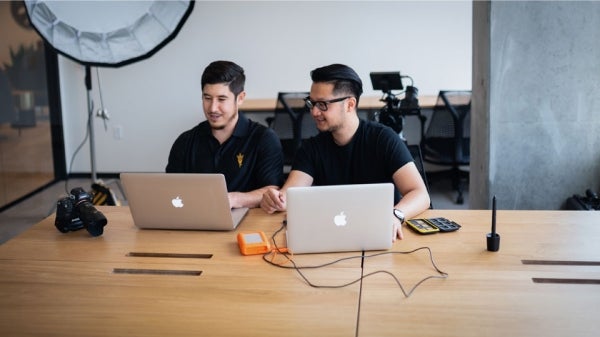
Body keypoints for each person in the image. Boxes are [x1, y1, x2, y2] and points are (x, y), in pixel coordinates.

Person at [260, 63, 430, 240]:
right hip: (332, 235)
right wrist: (275, 200)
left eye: (323, 104)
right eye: (311, 103)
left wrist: (396, 215)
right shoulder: (311, 148)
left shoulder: (383, 139)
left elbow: (420, 194)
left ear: (350, 104)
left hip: (380, 234)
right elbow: (289, 196)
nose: (314, 112)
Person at [167, 60, 283, 209]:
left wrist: (234, 199)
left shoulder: (264, 139)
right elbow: (170, 191)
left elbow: (272, 190)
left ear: (240, 98)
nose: (213, 108)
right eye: (207, 98)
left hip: (247, 222)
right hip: (196, 221)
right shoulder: (185, 141)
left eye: (221, 99)